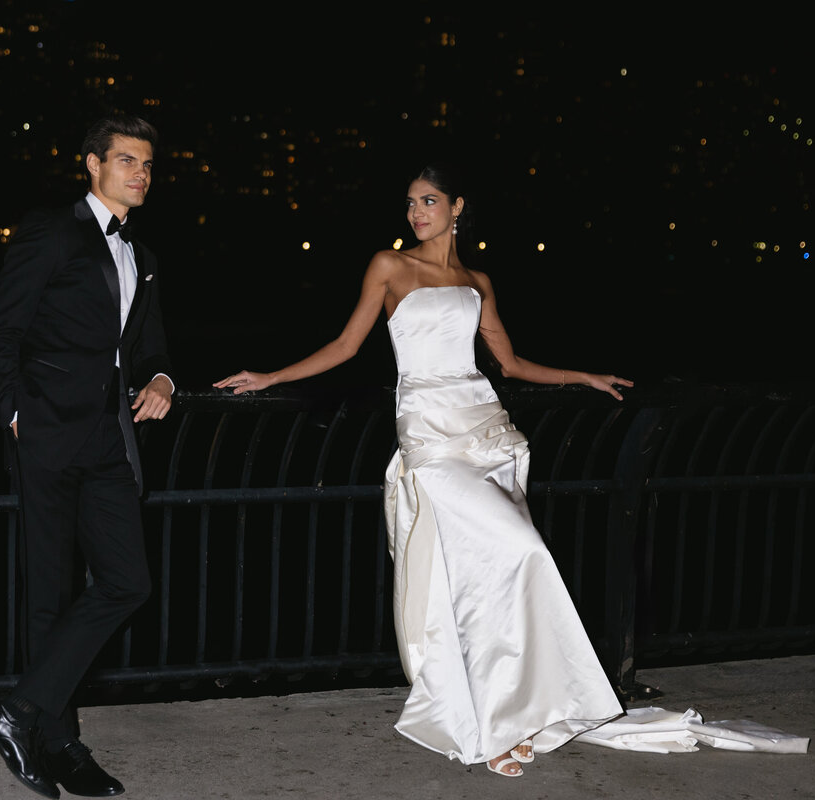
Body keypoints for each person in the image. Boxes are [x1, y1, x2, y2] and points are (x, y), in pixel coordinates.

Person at [214, 163, 633, 778]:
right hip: (429, 434)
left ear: (457, 206)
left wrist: (585, 375)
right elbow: (346, 346)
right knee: (521, 550)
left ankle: (512, 714)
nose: (416, 213)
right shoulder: (389, 265)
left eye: (429, 202)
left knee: (496, 574)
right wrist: (270, 376)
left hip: (484, 426)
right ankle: (496, 715)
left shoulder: (477, 279)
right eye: (410, 203)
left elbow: (509, 364)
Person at [0, 111, 175, 798]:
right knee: (46, 596)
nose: (140, 173)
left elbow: (146, 349)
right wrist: (18, 414)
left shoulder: (141, 258)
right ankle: (58, 742)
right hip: (49, 436)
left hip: (109, 442)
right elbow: (0, 335)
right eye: (126, 161)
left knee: (128, 581)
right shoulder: (52, 233)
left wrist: (162, 379)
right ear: (92, 165)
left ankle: (16, 713)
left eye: (146, 163)